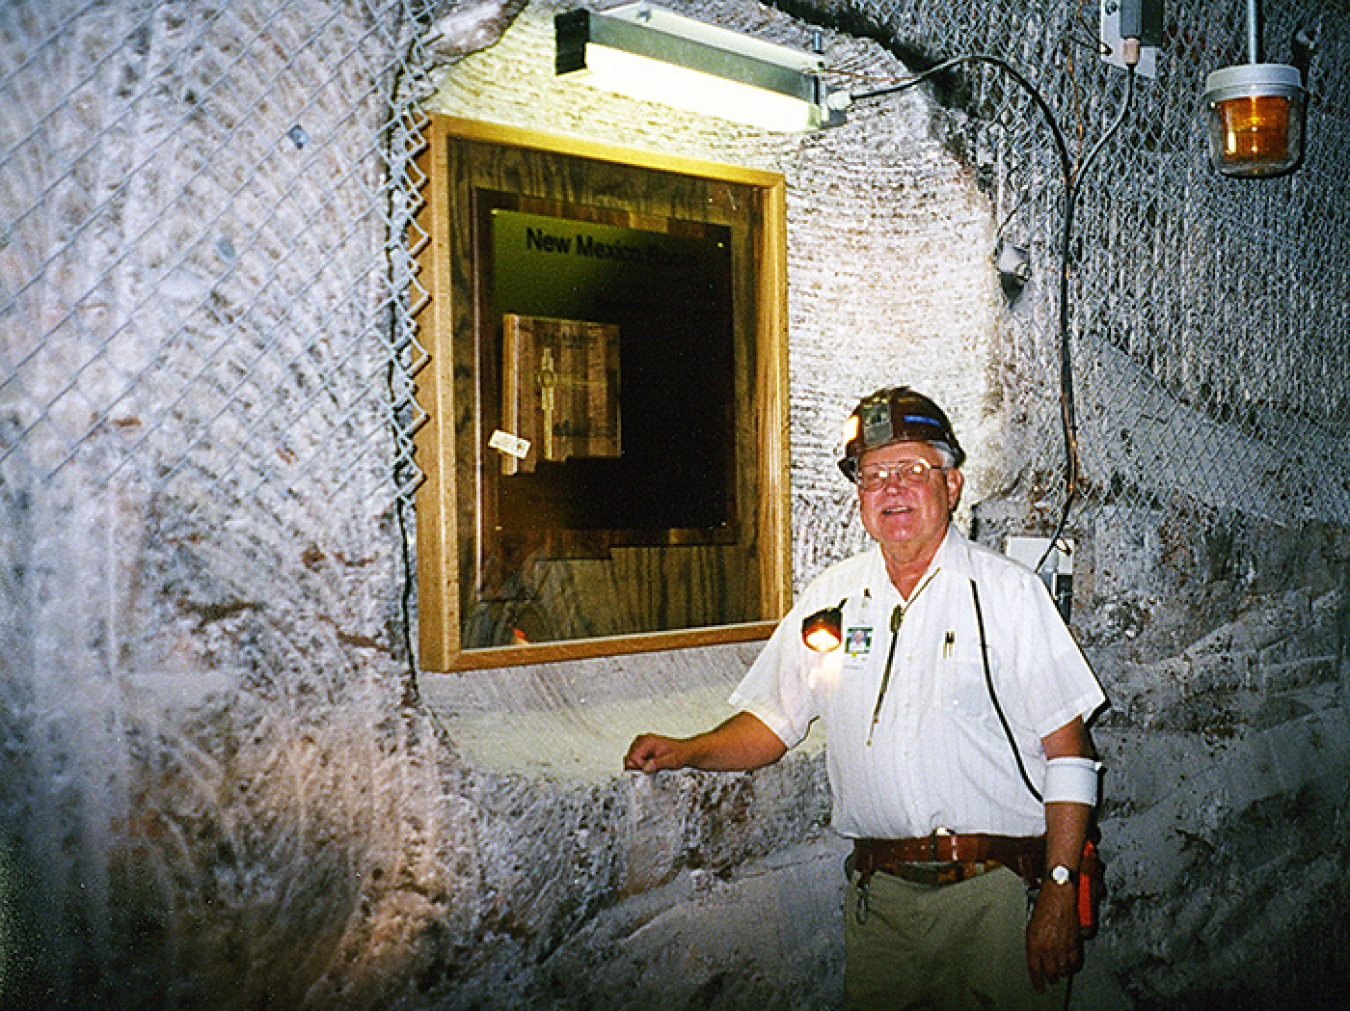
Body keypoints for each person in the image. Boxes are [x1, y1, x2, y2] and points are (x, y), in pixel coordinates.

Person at [625, 386, 1107, 1010]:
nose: (892, 488)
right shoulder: (833, 598)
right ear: (859, 497)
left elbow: (1070, 754)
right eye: (874, 475)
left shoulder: (1011, 596)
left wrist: (1060, 890)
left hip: (999, 896)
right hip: (883, 905)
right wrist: (688, 750)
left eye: (912, 469)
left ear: (952, 485)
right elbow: (771, 725)